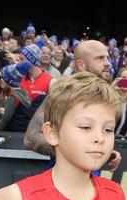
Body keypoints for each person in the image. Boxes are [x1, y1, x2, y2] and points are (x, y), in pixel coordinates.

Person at [23, 40, 121, 169]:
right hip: (60, 183)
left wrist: (104, 153)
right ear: (81, 65)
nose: (107, 63)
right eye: (100, 58)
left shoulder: (105, 95)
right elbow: (31, 138)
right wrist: (72, 151)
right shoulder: (63, 92)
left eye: (107, 58)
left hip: (89, 184)